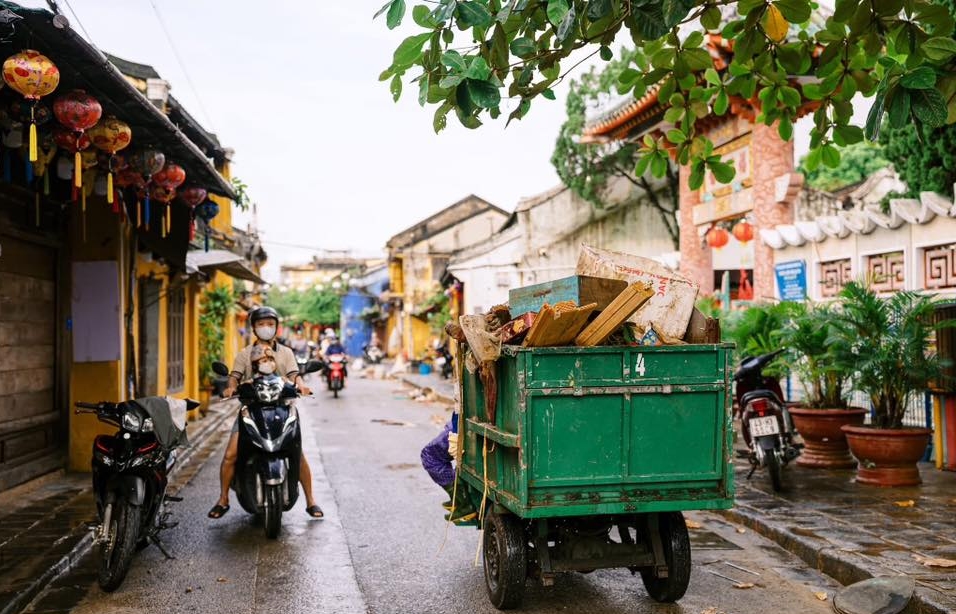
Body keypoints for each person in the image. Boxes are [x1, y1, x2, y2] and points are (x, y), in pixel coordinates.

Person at [208, 306, 324, 520]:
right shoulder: (244, 354)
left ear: (276, 327)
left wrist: (302, 386)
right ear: (253, 327)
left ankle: (311, 501)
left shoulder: (286, 352)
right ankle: (223, 499)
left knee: (297, 453)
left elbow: (294, 375)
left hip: (282, 409)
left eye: (270, 324)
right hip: (251, 410)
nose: (266, 328)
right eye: (261, 324)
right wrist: (231, 386)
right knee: (231, 455)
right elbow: (234, 376)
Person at [420, 416, 476, 524]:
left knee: (429, 455)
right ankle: (457, 497)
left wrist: (455, 433)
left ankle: (463, 502)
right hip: (461, 421)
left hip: (462, 422)